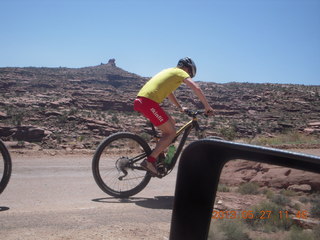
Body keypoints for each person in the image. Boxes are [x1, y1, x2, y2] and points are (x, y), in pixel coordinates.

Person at [133, 57, 214, 175]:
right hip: (148, 103)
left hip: (143, 101)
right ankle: (150, 161)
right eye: (190, 73)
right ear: (187, 68)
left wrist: (180, 107)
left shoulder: (168, 71)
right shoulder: (180, 72)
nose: (189, 76)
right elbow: (196, 88)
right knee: (171, 133)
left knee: (172, 121)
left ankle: (160, 155)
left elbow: (169, 93)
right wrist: (207, 106)